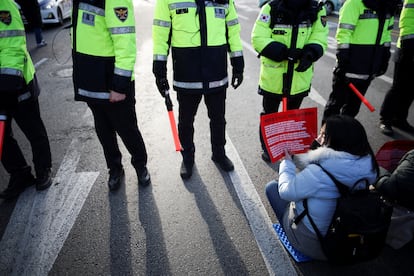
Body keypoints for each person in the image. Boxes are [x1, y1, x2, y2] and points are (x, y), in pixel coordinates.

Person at [152, 0, 244, 179]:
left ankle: (219, 153)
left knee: (218, 119)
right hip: (187, 72)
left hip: (216, 71)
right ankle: (187, 158)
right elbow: (161, 33)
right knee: (186, 121)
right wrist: (159, 69)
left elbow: (232, 31)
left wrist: (238, 64)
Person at [265, 115, 379, 260]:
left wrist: (286, 163)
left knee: (273, 187)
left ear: (337, 141)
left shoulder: (319, 173)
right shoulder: (369, 164)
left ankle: (294, 236)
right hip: (349, 236)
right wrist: (297, 158)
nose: (318, 138)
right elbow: (330, 173)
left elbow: (286, 192)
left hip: (315, 244)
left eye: (324, 135)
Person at [71, 0, 151, 190]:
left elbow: (126, 44)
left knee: (127, 129)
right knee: (104, 131)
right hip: (92, 80)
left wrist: (119, 86)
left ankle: (140, 166)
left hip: (113, 83)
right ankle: (115, 168)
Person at [251, 0, 328, 162]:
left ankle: (289, 144)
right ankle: (268, 147)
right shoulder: (271, 8)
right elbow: (258, 37)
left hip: (299, 77)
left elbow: (320, 36)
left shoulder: (316, 10)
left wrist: (311, 53)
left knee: (293, 114)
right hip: (273, 78)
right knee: (269, 114)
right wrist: (283, 52)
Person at [0, 0, 52, 199]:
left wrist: (6, 83)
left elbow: (12, 46)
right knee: (3, 137)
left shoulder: (4, 6)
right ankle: (20, 173)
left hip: (17, 82)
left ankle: (43, 169)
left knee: (33, 130)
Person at [322, 0, 399, 122]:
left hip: (368, 71)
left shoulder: (386, 6)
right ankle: (326, 138)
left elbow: (386, 35)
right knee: (334, 108)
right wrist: (343, 62)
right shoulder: (354, 3)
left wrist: (384, 58)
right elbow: (344, 34)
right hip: (348, 70)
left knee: (352, 110)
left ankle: (343, 137)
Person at [379, 0, 414, 135]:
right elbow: (407, 18)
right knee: (399, 86)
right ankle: (385, 119)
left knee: (411, 88)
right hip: (408, 46)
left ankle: (400, 119)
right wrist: (409, 43)